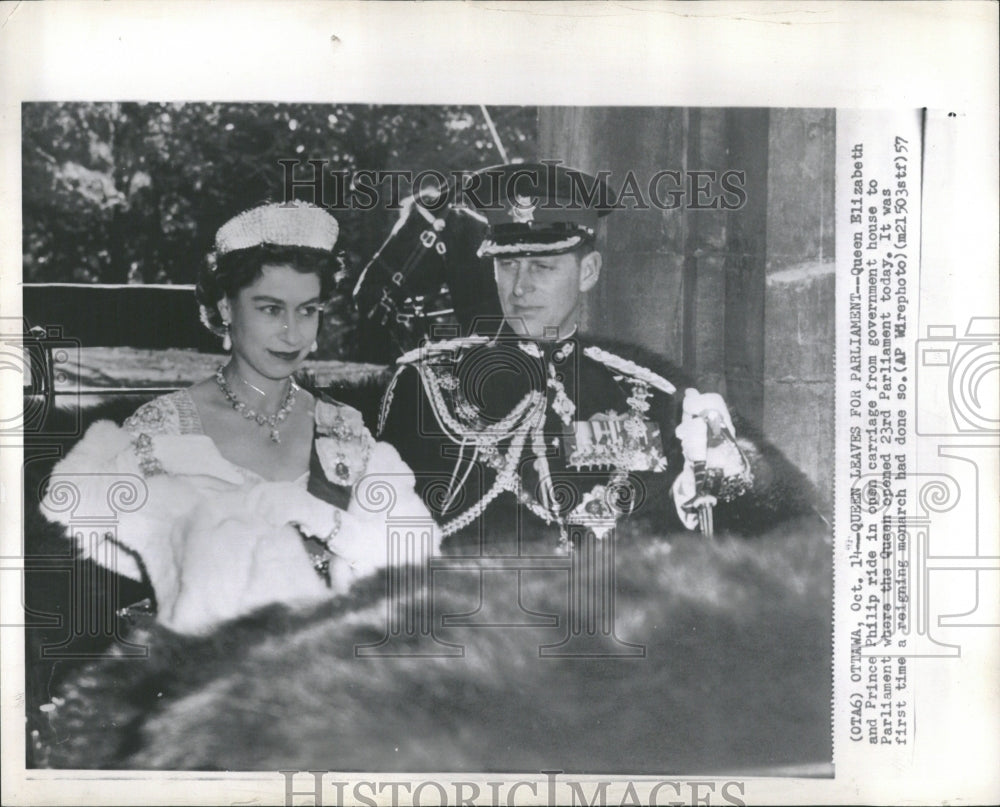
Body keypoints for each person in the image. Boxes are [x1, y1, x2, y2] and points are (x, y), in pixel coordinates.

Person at [40, 201, 435, 634]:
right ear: (227, 308)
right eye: (270, 309)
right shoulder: (162, 431)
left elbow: (404, 560)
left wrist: (323, 520)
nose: (293, 332)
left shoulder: (340, 428)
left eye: (308, 309)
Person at [377, 163, 816, 552]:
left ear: (588, 272)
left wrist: (735, 476)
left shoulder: (647, 391)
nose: (520, 288)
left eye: (542, 267)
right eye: (508, 266)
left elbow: (782, 519)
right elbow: (382, 537)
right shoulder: (428, 385)